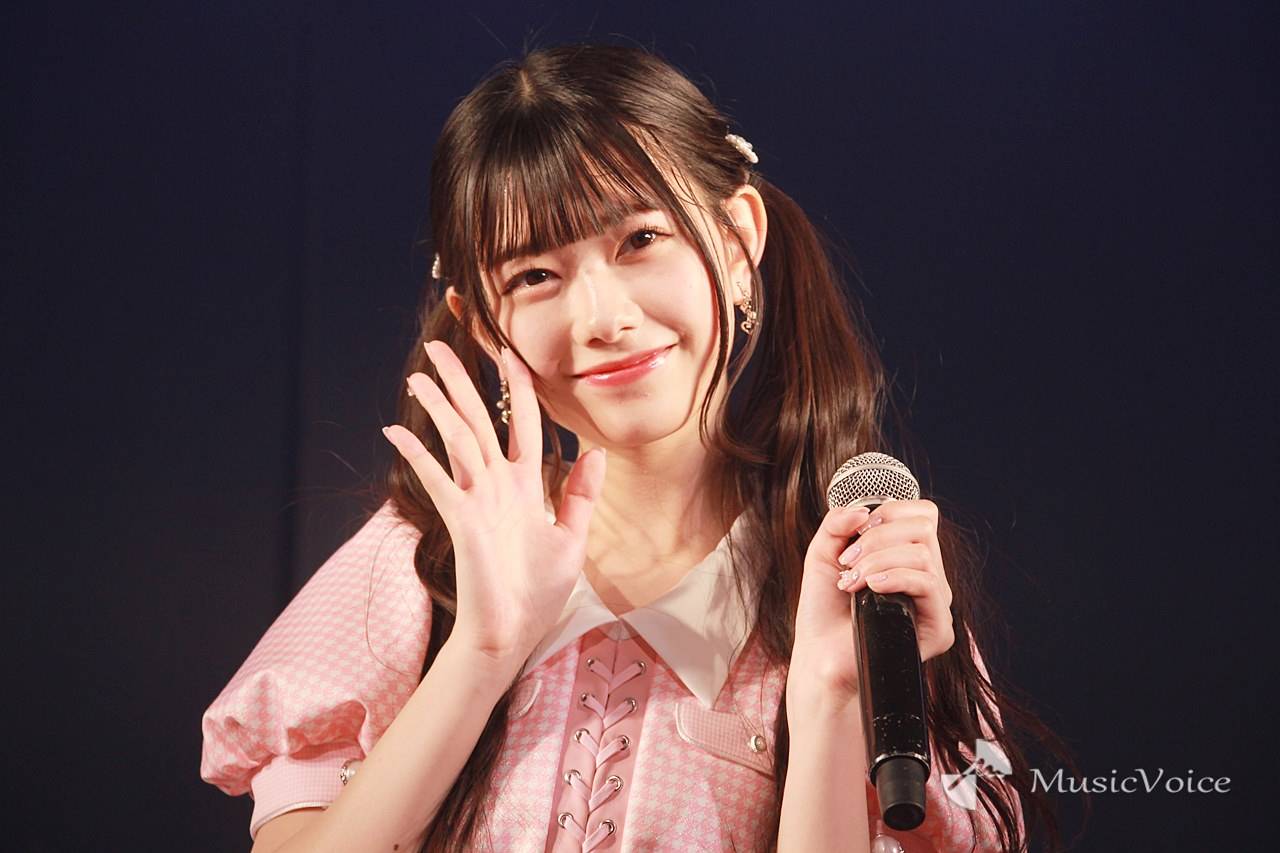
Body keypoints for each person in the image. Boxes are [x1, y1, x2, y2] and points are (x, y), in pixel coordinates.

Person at [201, 42, 1070, 852]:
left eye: (641, 240)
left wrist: (830, 698)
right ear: (480, 321)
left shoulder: (859, 590)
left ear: (738, 241)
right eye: (534, 275)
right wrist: (481, 655)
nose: (604, 318)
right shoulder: (425, 558)